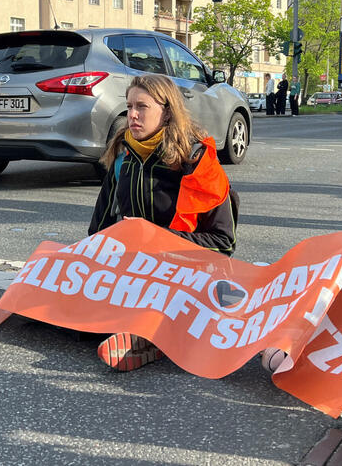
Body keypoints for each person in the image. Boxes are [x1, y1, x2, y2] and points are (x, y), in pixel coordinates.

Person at [89, 74, 237, 372]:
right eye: (129, 106)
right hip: (138, 272)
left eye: (142, 107)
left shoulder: (197, 160)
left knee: (163, 303)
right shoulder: (122, 156)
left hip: (190, 273)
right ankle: (148, 335)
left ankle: (149, 336)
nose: (132, 115)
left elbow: (224, 244)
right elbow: (98, 231)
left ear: (167, 110)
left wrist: (155, 237)